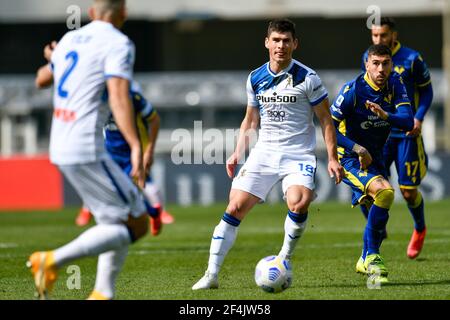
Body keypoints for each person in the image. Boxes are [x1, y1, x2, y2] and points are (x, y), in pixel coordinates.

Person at [192, 18, 344, 290]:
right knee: (234, 207)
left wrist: (332, 157)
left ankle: (283, 258)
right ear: (267, 43)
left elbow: (325, 121)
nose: (281, 46)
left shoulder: (308, 79)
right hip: (264, 152)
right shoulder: (255, 77)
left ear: (295, 44)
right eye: (276, 40)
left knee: (299, 201)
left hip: (298, 154)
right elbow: (251, 120)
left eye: (286, 41)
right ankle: (211, 274)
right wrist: (237, 151)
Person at [29, 0, 149, 300]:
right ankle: (51, 260)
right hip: (87, 147)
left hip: (60, 144)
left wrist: (54, 58)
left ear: (92, 13)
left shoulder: (71, 38)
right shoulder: (119, 43)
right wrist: (135, 144)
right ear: (124, 14)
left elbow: (41, 79)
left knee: (112, 220)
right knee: (138, 222)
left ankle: (102, 293)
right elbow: (120, 98)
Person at [331, 44, 414, 284]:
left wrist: (385, 115)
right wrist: (357, 148)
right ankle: (372, 256)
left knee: (381, 204)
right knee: (385, 193)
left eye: (385, 63)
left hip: (374, 156)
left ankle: (364, 258)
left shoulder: (396, 83)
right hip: (349, 157)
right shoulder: (353, 90)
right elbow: (329, 128)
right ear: (366, 63)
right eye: (375, 63)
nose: (381, 69)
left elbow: (408, 122)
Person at [362, 17, 433, 259]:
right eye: (374, 36)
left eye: (383, 35)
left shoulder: (412, 59)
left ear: (394, 35)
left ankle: (420, 229)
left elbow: (427, 91)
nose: (378, 40)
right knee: (366, 189)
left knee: (408, 191)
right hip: (378, 135)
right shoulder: (368, 57)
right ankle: (378, 228)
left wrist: (419, 118)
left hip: (406, 133)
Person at [75, 80, 175, 230]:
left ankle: (157, 213)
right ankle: (90, 212)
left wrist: (148, 151)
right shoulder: (99, 99)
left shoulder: (135, 99)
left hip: (133, 153)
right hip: (108, 154)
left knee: (142, 188)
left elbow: (154, 120)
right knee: (104, 188)